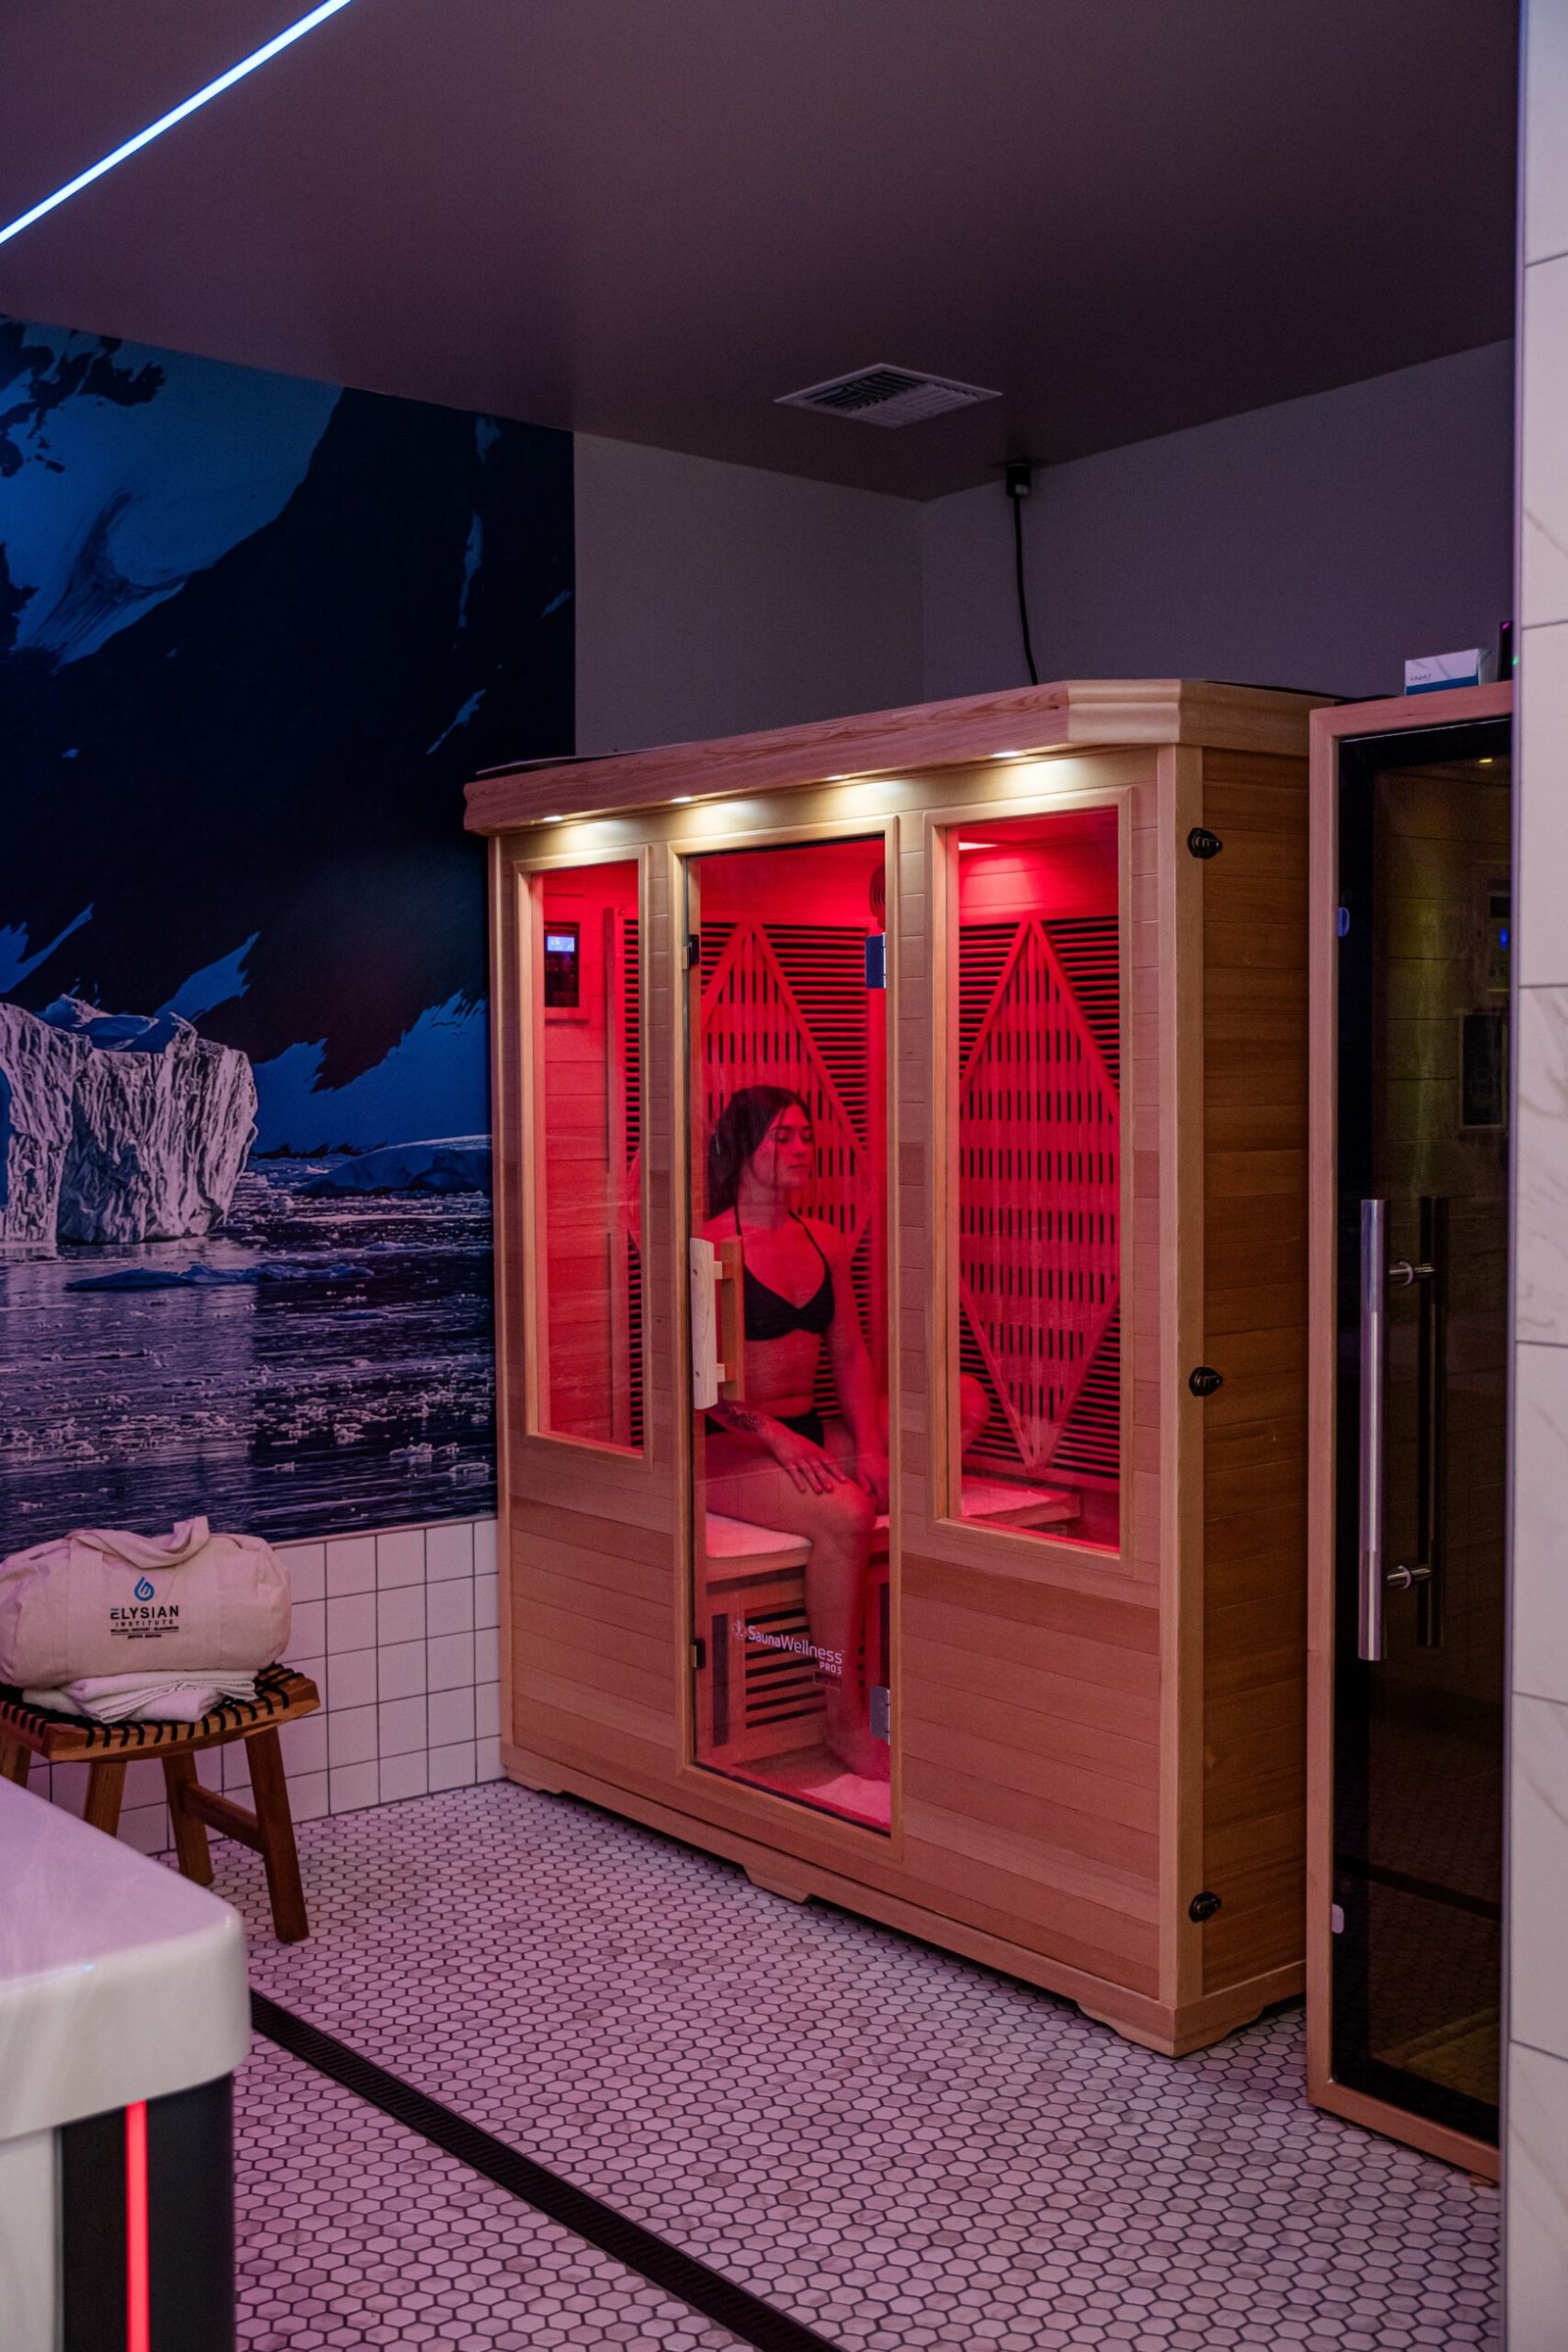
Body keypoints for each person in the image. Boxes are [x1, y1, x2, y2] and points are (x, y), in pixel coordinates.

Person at [702, 1085, 986, 1784]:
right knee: (847, 1513)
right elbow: (700, 1388)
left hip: (807, 1429)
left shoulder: (823, 1239)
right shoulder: (709, 1245)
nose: (802, 1149)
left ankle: (930, 1649)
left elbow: (849, 1352)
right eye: (783, 1137)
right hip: (731, 1445)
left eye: (806, 1135)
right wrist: (775, 1438)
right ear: (744, 1148)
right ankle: (844, 1719)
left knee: (965, 1400)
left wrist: (872, 1448)